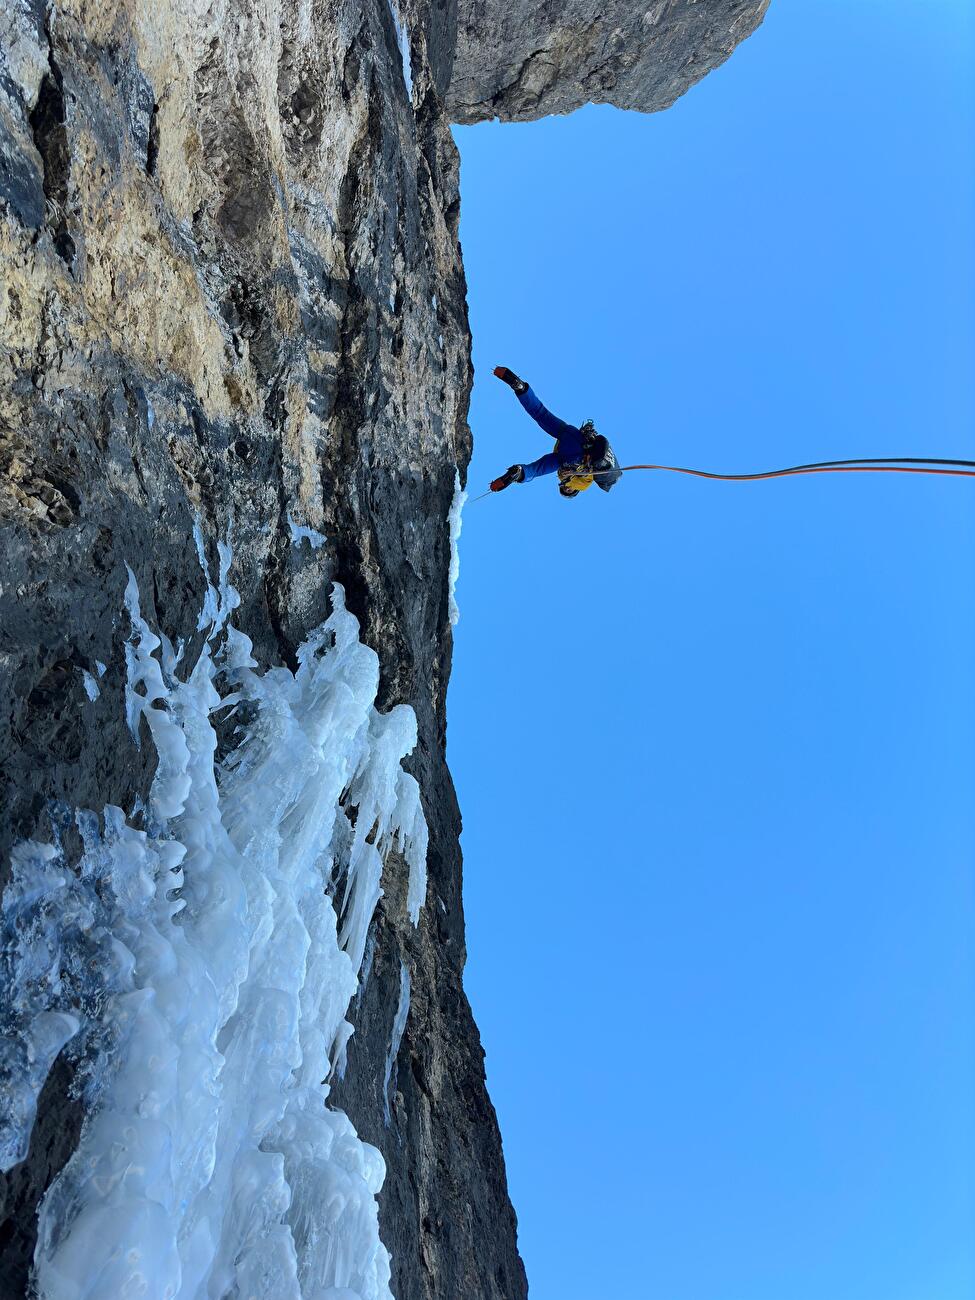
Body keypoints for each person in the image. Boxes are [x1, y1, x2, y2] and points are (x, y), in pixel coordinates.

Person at [489, 367, 622, 498]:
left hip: (572, 435)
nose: (566, 487)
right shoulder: (583, 485)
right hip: (574, 455)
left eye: (563, 488)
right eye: (568, 490)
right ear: (575, 491)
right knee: (537, 469)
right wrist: (570, 475)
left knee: (540, 413)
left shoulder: (588, 469)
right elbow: (579, 474)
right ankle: (519, 473)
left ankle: (520, 387)